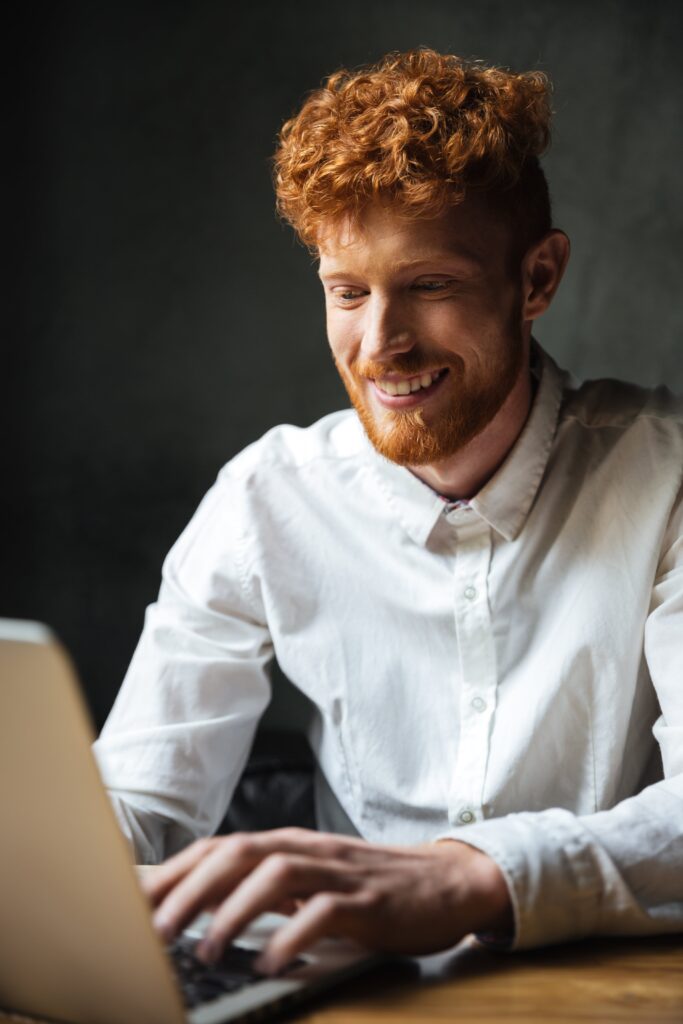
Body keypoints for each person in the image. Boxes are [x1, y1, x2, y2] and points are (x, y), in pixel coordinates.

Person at [93, 48, 683, 975]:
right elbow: (138, 808)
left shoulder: (669, 474)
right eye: (347, 292)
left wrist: (466, 879)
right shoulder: (264, 498)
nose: (380, 346)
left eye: (430, 285)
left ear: (536, 280)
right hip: (358, 999)